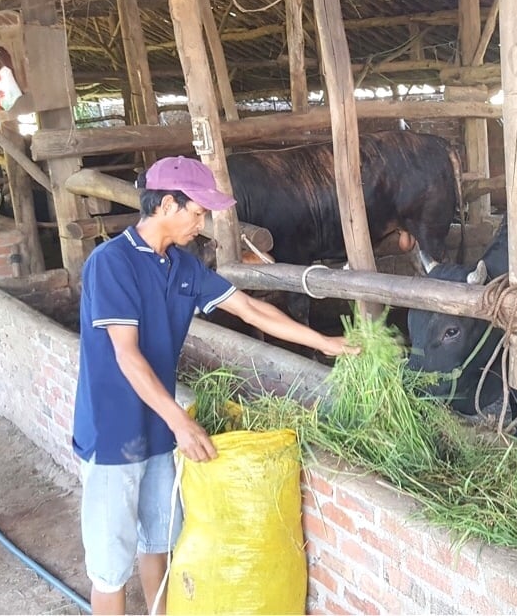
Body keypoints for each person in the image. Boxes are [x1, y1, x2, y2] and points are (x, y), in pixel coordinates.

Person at [72, 155, 356, 615]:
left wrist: (322, 341)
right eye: (197, 212)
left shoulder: (182, 267)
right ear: (166, 204)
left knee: (159, 543)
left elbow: (252, 310)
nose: (201, 223)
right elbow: (127, 355)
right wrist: (181, 423)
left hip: (159, 433)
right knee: (110, 566)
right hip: (112, 434)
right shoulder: (112, 264)